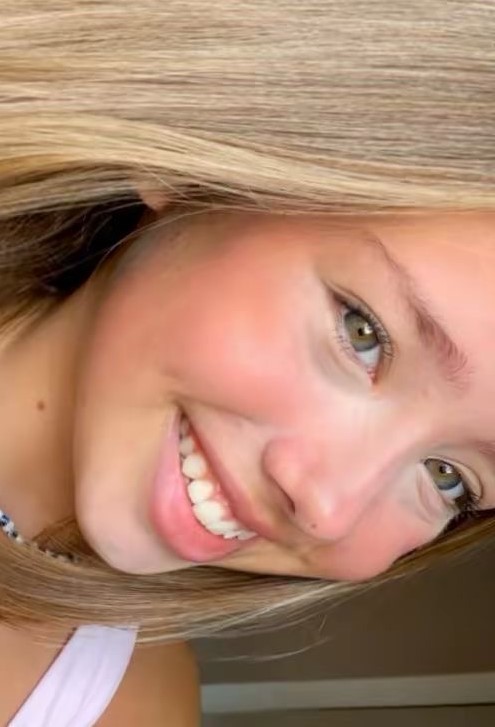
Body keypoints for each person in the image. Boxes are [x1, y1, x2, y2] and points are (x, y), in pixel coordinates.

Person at [1, 0, 495, 724]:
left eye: (449, 478)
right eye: (362, 332)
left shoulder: (129, 707)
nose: (328, 509)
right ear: (193, 157)